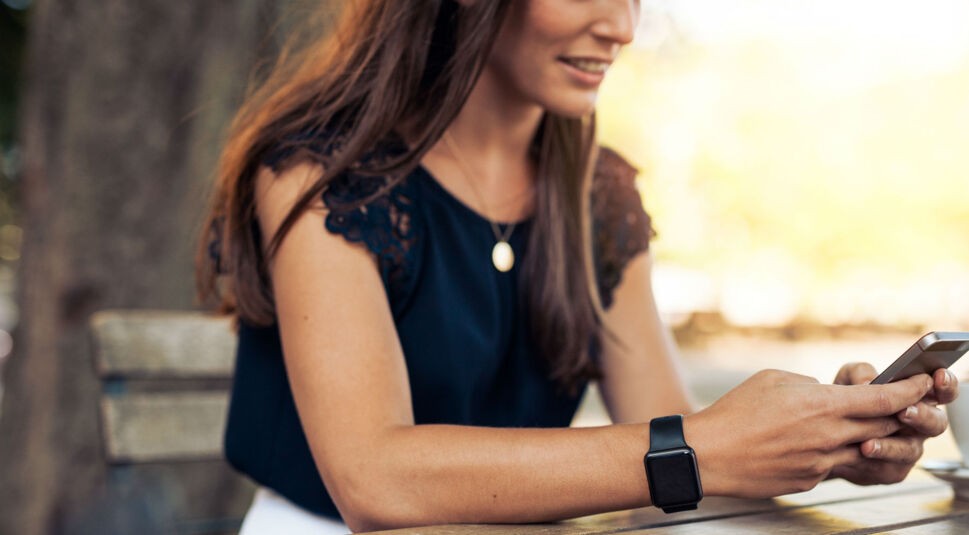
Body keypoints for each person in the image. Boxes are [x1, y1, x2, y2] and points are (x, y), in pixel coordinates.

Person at [197, 1, 959, 533]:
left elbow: (673, 436)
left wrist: (814, 443)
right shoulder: (318, 173)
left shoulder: (598, 192)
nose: (623, 26)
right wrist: (704, 448)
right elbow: (375, 483)